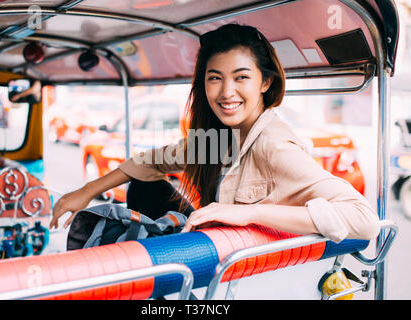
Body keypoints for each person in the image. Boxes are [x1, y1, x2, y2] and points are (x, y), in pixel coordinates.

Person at [50, 24, 380, 244]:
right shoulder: (219, 137)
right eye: (214, 78)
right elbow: (148, 163)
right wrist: (84, 192)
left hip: (242, 270)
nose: (226, 92)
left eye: (240, 78)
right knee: (141, 186)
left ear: (265, 82)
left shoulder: (274, 145)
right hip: (211, 245)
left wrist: (250, 212)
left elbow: (364, 217)